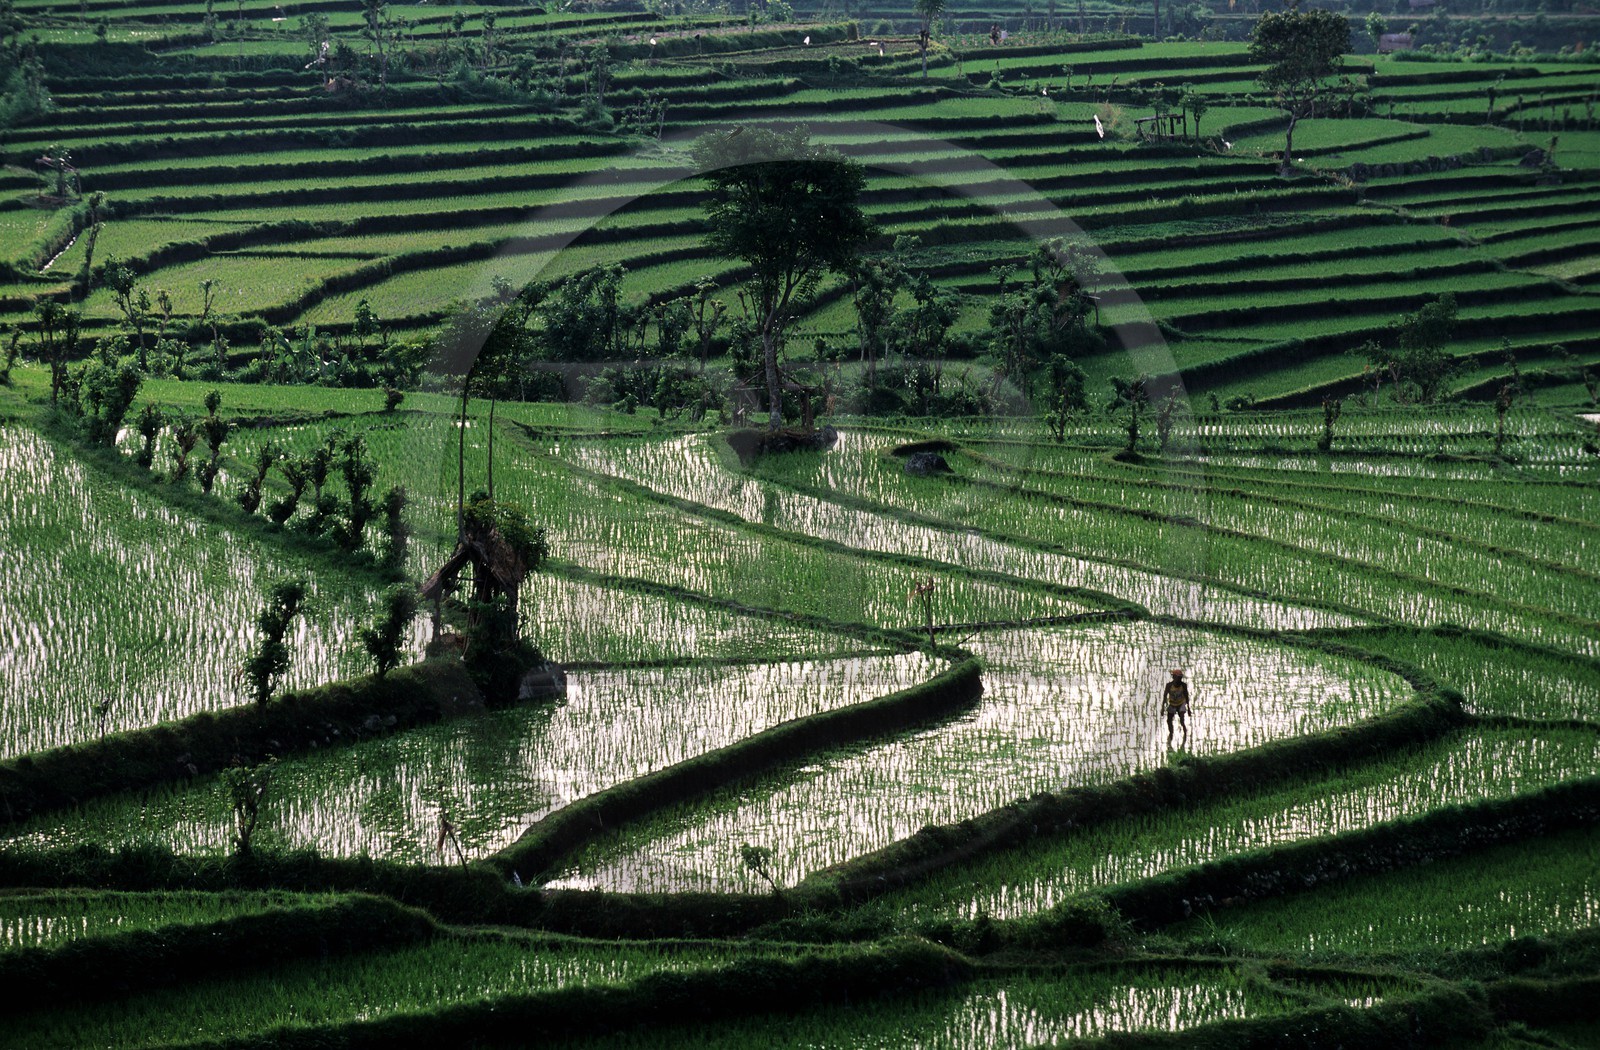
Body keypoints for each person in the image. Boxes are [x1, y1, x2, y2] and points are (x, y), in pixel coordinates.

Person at [1161, 668, 1191, 746]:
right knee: (1169, 720)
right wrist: (1162, 708)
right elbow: (1165, 696)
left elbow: (1186, 696)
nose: (1179, 679)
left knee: (1181, 720)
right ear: (1174, 677)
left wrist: (1189, 709)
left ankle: (1185, 733)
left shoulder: (1183, 685)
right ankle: (1171, 733)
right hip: (1172, 704)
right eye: (1178, 677)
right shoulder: (1169, 685)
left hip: (1181, 703)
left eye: (1180, 678)